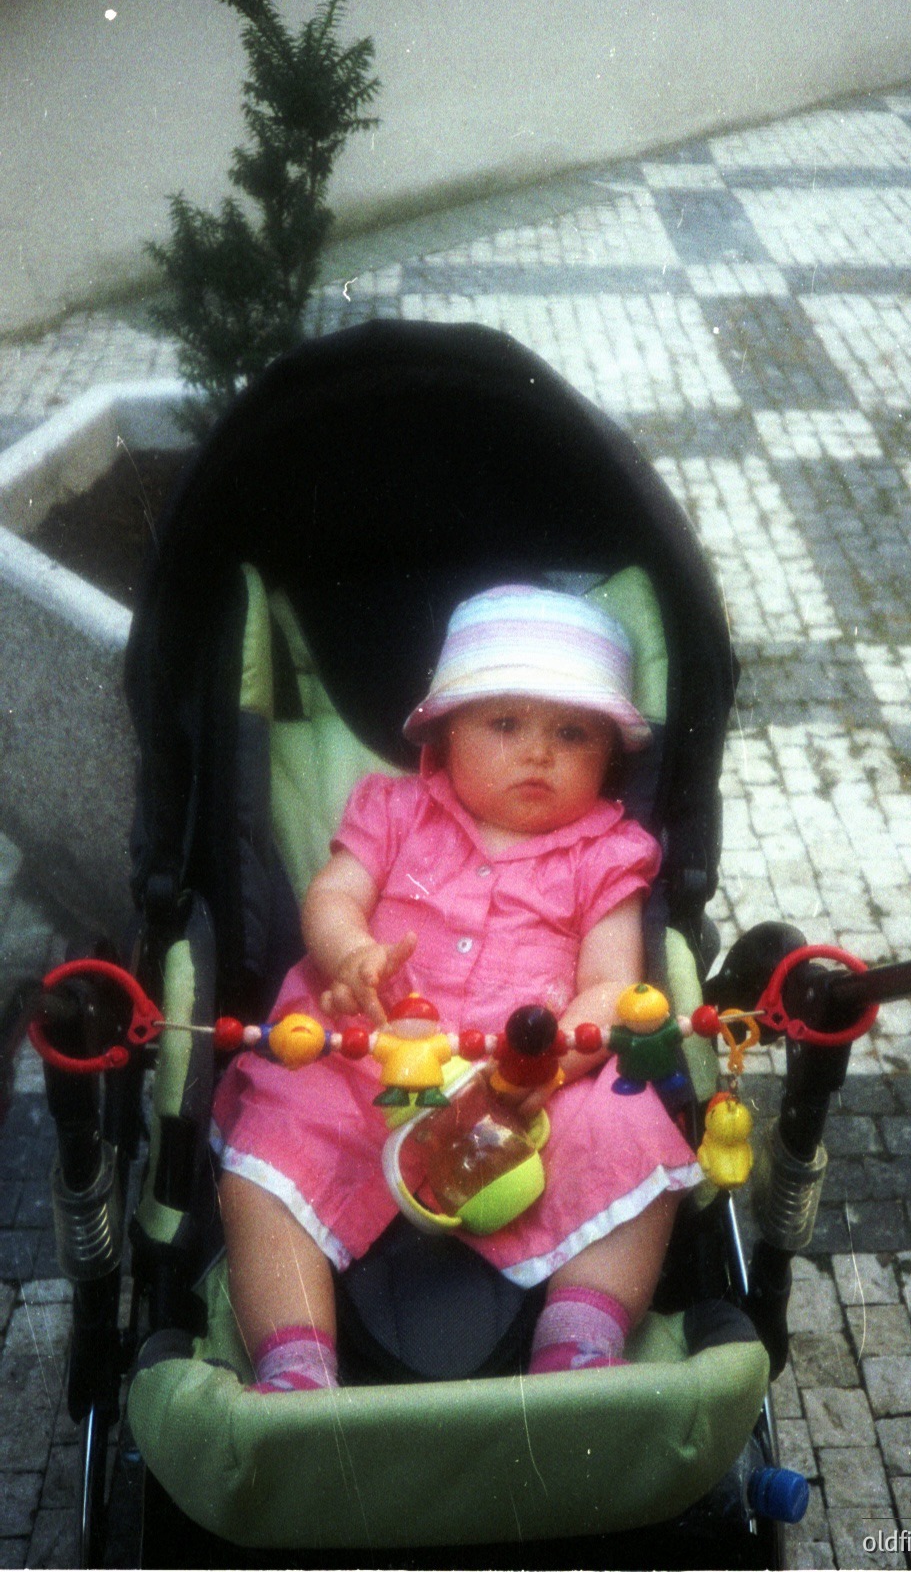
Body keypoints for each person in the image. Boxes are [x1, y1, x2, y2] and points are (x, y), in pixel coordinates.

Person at [212, 584, 703, 1392]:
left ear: (609, 753)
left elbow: (612, 984)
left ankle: (582, 1335)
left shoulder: (608, 852)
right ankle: (294, 1360)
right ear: (444, 732)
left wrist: (552, 1068)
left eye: (571, 732)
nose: (538, 752)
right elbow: (333, 895)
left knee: (638, 1142)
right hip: (367, 1059)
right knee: (264, 1163)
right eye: (505, 724)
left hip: (525, 1082)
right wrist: (351, 954)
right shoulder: (396, 809)